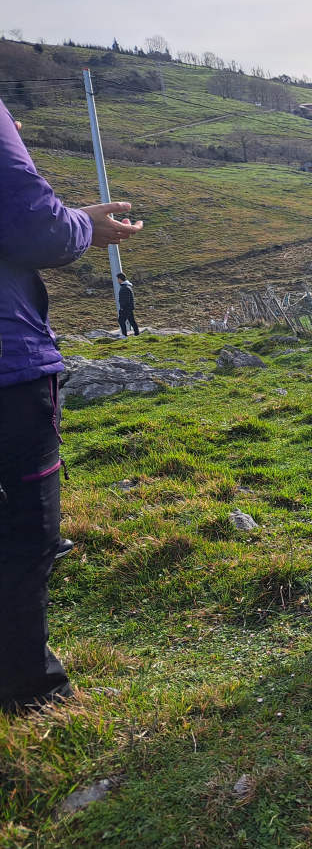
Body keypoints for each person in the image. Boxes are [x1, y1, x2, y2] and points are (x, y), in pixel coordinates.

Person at [1, 99, 143, 715]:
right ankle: (30, 693)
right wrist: (82, 223)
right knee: (26, 526)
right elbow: (37, 227)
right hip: (7, 366)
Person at [116, 271, 139, 336]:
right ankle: (137, 334)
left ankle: (124, 335)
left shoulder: (124, 288)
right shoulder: (127, 286)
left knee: (121, 321)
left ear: (120, 279)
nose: (117, 280)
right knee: (132, 321)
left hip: (126, 308)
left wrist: (122, 308)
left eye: (118, 279)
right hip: (129, 307)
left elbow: (125, 300)